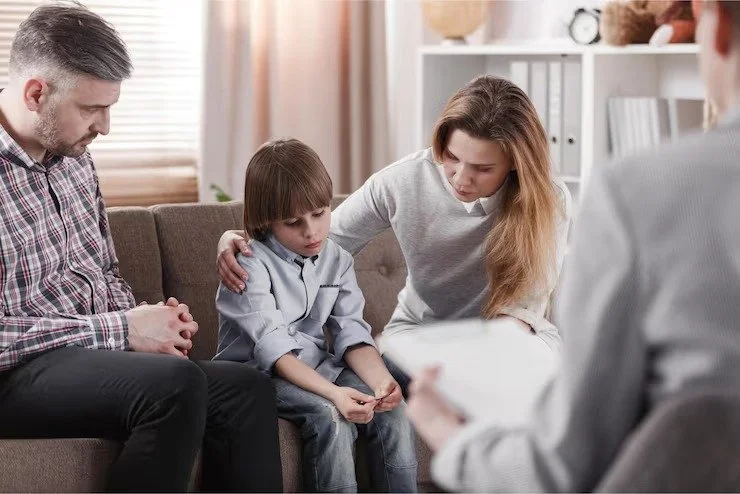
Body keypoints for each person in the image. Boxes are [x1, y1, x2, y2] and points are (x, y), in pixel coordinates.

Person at [404, 0, 740, 491]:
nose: (462, 177)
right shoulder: (405, 181)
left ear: (718, 27)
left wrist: (449, 438)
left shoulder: (640, 193)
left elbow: (561, 466)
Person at [0, 4, 281, 491]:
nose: (104, 126)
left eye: (110, 108)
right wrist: (120, 330)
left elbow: (102, 272)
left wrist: (154, 328)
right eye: (91, 109)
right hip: (15, 375)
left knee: (246, 389)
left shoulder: (74, 159)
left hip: (85, 359)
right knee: (174, 388)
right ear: (36, 93)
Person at [217, 76, 572, 390]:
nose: (461, 178)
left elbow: (522, 314)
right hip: (420, 338)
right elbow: (323, 241)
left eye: (482, 168)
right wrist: (244, 239)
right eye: (451, 157)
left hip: (507, 340)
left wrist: (477, 365)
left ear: (515, 163)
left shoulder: (548, 201)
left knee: (524, 380)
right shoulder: (404, 180)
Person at [214, 138, 417, 493]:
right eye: (294, 222)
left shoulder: (337, 258)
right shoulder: (248, 264)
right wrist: (335, 394)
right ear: (266, 221)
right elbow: (276, 353)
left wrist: (382, 383)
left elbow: (352, 334)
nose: (311, 231)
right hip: (258, 377)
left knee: (392, 412)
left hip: (316, 367)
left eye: (320, 214)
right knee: (331, 416)